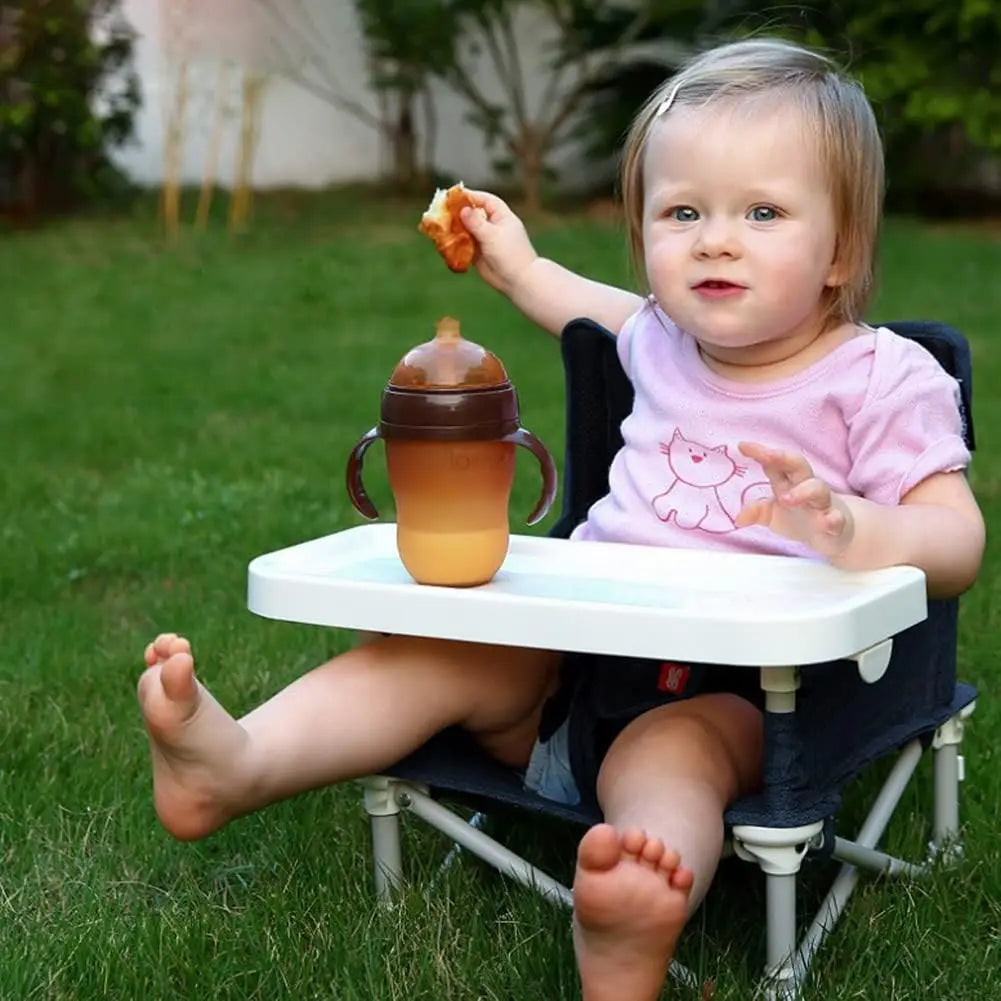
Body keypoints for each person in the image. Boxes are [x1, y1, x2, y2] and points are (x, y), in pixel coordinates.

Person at [139, 37, 985, 1001]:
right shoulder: (662, 341)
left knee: (673, 757)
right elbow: (568, 302)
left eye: (761, 212)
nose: (714, 238)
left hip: (745, 699)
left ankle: (630, 907)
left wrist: (856, 529)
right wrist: (512, 262)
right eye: (681, 212)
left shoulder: (881, 381)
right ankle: (234, 764)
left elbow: (956, 541)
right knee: (433, 654)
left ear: (841, 249)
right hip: (566, 677)